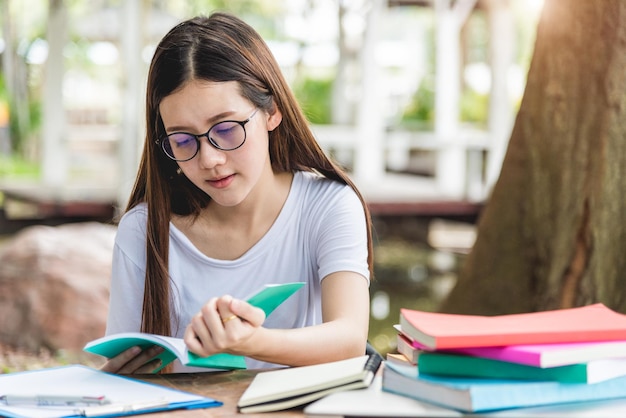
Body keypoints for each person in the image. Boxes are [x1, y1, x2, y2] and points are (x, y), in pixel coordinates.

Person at [101, 11, 374, 374]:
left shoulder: (327, 206)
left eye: (226, 129)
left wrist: (250, 342)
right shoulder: (145, 229)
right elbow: (123, 367)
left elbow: (350, 339)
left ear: (272, 111)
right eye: (182, 140)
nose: (210, 159)